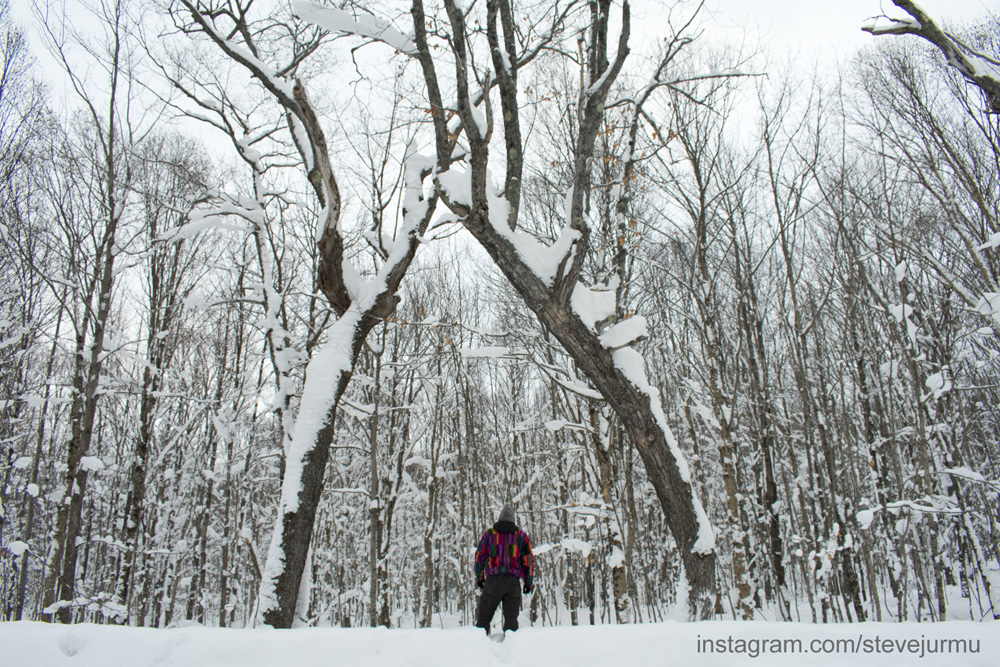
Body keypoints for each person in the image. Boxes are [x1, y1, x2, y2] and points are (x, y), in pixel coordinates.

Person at [474, 505, 534, 636]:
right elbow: (528, 561)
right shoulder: (521, 537)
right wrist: (528, 582)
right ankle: (511, 651)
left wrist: (480, 578)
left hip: (493, 582)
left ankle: (479, 648)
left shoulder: (489, 535)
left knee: (483, 620)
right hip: (513, 582)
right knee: (511, 622)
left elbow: (479, 557)